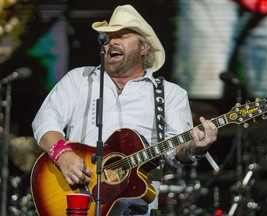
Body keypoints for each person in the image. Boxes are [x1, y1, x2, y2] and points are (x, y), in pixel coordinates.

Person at [32, 4, 218, 216]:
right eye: (108, 37)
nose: (113, 42)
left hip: (136, 208)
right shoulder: (79, 79)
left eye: (123, 35)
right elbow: (44, 121)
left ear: (144, 48)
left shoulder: (171, 94)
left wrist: (195, 148)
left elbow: (176, 154)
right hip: (77, 203)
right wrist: (63, 156)